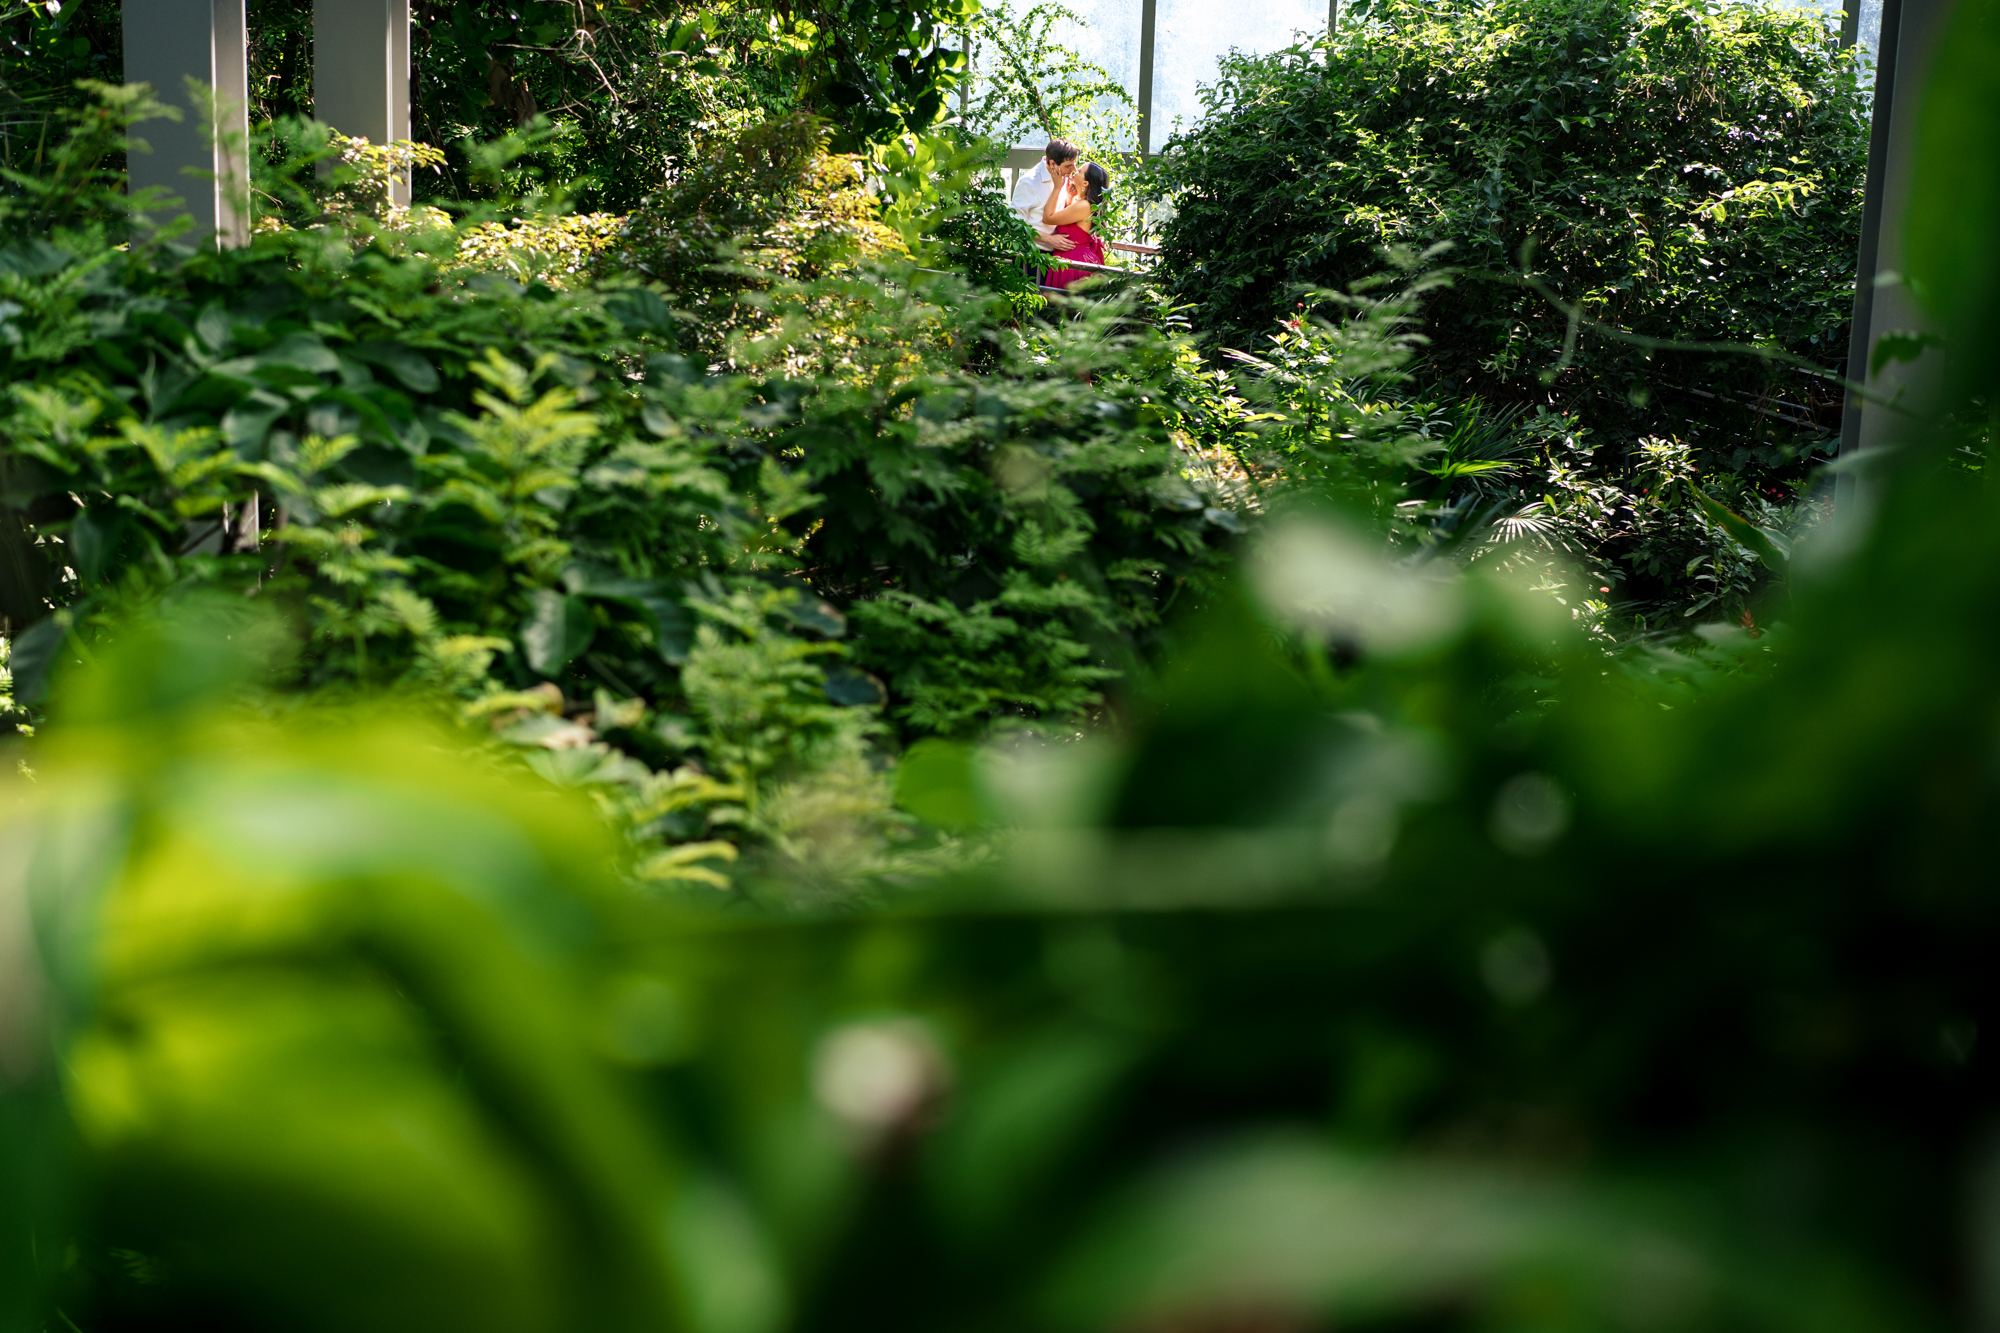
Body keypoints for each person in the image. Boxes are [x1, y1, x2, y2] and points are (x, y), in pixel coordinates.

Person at [1039, 158, 1109, 290]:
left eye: (1080, 171)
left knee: (1061, 301)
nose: (1075, 170)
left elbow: (1048, 218)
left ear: (1085, 182)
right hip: (1072, 255)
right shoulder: (1083, 203)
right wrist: (1070, 197)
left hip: (1074, 258)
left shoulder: (1084, 205)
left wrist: (1057, 188)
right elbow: (1069, 221)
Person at [1009, 139, 1079, 255]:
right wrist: (1049, 239)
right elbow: (1014, 225)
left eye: (1075, 164)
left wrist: (1070, 198)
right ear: (1052, 164)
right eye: (1069, 166)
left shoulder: (1064, 176)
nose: (1074, 170)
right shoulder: (1029, 182)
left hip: (1057, 252)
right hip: (1031, 253)